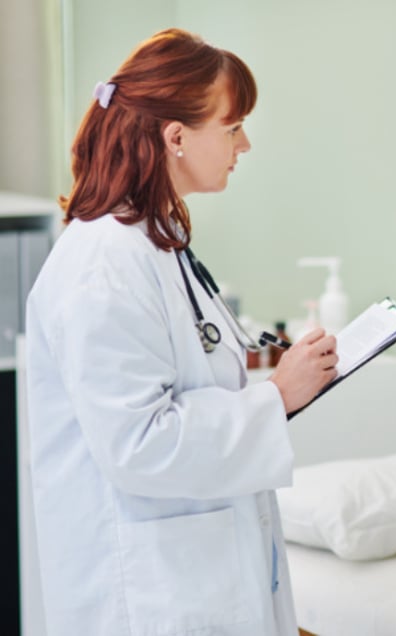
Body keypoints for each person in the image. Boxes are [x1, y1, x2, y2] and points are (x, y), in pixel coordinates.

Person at [25, 28, 338, 636]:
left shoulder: (154, 243)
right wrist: (278, 396)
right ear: (175, 137)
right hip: (144, 593)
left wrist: (276, 382)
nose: (243, 143)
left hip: (190, 568)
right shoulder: (104, 265)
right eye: (232, 126)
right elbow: (140, 444)